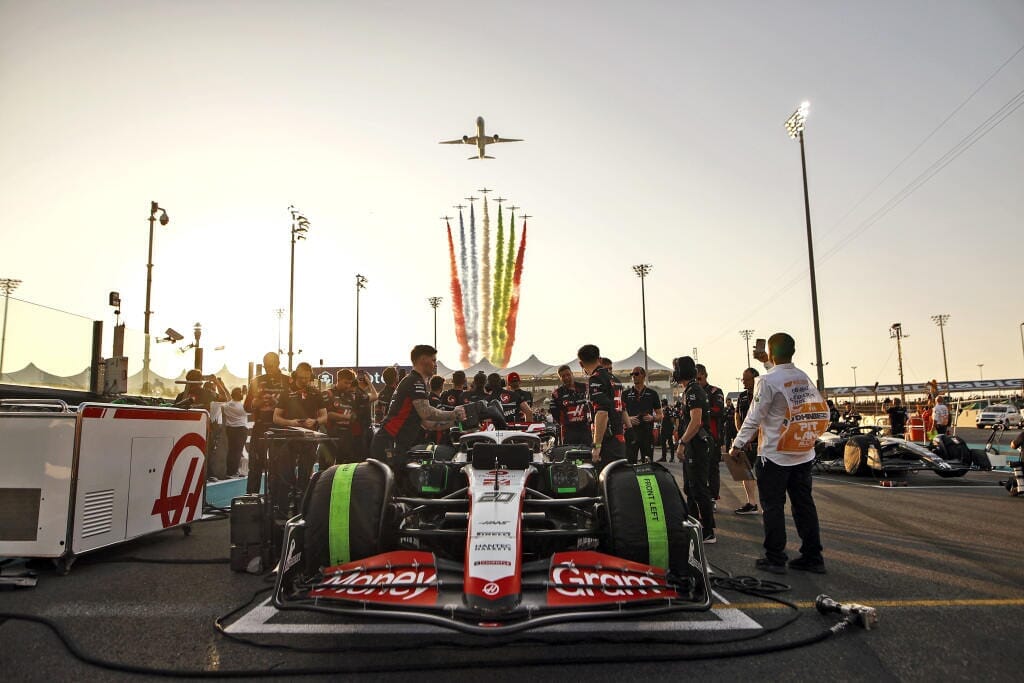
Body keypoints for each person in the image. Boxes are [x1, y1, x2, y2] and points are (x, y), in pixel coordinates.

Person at [730, 333, 829, 575]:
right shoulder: (802, 377)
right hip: (802, 452)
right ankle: (813, 555)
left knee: (773, 506)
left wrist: (737, 444)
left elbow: (755, 416)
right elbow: (784, 384)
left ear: (772, 353)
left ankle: (775, 557)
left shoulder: (766, 380)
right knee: (804, 505)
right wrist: (768, 363)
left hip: (775, 454)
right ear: (792, 352)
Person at [370, 345, 466, 468]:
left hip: (393, 443)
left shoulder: (413, 381)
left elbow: (428, 424)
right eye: (433, 360)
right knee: (395, 484)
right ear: (423, 360)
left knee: (404, 483)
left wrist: (455, 422)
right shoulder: (415, 381)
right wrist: (454, 413)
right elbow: (426, 412)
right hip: (389, 442)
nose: (435, 364)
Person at [272, 362, 328, 513]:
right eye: (301, 377)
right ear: (296, 375)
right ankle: (283, 510)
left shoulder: (316, 393)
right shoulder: (286, 392)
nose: (304, 380)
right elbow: (276, 417)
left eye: (307, 378)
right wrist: (290, 422)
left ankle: (303, 510)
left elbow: (324, 416)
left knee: (305, 476)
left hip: (308, 439)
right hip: (288, 438)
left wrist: (315, 421)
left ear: (311, 376)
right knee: (286, 476)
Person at [673, 356, 716, 543]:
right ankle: (693, 525)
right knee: (690, 488)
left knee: (699, 488)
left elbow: (696, 421)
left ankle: (708, 531)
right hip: (692, 445)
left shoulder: (693, 391)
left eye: (675, 368)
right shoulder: (689, 390)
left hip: (697, 445)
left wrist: (682, 442)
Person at [577, 344, 626, 466]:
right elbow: (623, 408)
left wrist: (597, 446)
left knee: (604, 480)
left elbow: (602, 413)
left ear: (581, 364)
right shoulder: (615, 378)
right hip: (619, 437)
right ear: (599, 358)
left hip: (607, 440)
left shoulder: (596, 379)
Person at [325, 368, 377, 464]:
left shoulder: (352, 395)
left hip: (349, 439)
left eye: (350, 383)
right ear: (338, 380)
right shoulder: (329, 393)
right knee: (328, 468)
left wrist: (368, 382)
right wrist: (345, 417)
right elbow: (327, 415)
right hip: (332, 438)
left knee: (346, 467)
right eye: (345, 383)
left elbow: (374, 396)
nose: (348, 386)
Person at [732, 367, 761, 515]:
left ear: (755, 379)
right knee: (744, 472)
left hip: (759, 441)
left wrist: (751, 437)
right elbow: (737, 416)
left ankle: (764, 504)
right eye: (743, 378)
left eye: (746, 378)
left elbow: (761, 419)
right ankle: (751, 502)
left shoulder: (761, 393)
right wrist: (741, 436)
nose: (743, 381)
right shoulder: (742, 396)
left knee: (762, 474)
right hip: (744, 441)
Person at [696, 364, 725, 505]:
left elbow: (719, 410)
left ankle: (713, 497)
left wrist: (700, 411)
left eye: (699, 377)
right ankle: (700, 497)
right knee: (697, 469)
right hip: (694, 436)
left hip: (711, 436)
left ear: (704, 375)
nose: (697, 380)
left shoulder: (715, 391)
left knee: (712, 468)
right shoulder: (690, 392)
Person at [623, 366, 662, 464]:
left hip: (647, 434)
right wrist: (628, 419)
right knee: (630, 464)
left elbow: (660, 415)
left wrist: (652, 418)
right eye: (632, 374)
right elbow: (618, 414)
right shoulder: (625, 394)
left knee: (648, 464)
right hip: (631, 433)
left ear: (643, 375)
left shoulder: (652, 394)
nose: (633, 376)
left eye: (636, 374)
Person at [550, 364, 592, 446]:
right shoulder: (557, 393)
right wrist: (566, 422)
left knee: (588, 455)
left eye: (568, 375)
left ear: (572, 374)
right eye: (563, 376)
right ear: (560, 378)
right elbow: (555, 413)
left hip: (586, 429)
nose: (566, 378)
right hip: (569, 431)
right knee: (570, 455)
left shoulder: (585, 387)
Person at [222, 387, 249, 478]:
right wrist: (246, 394)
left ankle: (229, 471)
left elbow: (228, 398)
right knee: (238, 451)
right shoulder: (242, 407)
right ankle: (234, 471)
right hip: (241, 430)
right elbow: (248, 406)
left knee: (231, 451)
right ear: (240, 395)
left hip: (230, 430)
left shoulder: (227, 405)